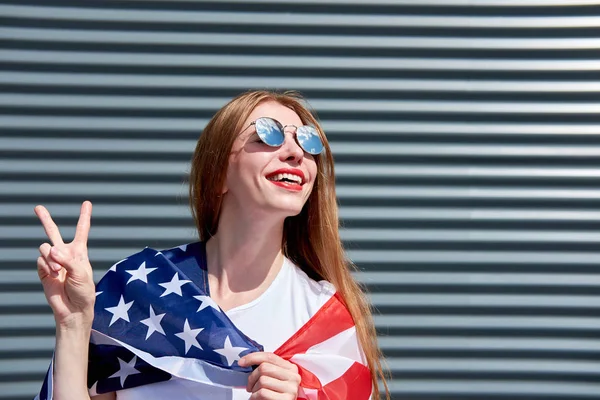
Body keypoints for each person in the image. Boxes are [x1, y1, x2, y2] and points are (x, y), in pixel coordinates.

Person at [34, 90, 389, 400]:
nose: (296, 151)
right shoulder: (136, 288)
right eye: (269, 134)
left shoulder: (324, 320)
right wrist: (74, 323)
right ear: (218, 173)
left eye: (308, 140)